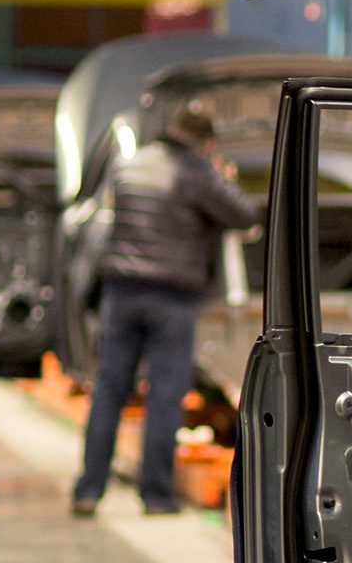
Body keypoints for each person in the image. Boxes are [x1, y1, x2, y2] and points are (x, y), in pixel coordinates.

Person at [70, 99, 258, 517]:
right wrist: (223, 176)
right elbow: (244, 215)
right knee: (165, 396)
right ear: (205, 142)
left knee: (109, 391)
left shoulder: (131, 164)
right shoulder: (194, 173)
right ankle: (155, 496)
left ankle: (88, 490)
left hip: (121, 293)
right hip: (171, 298)